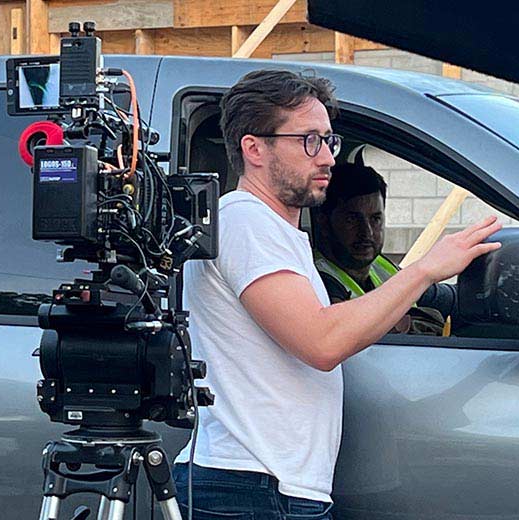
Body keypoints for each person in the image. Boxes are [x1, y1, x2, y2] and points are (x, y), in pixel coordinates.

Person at [173, 69, 501, 519]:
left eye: (329, 140)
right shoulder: (244, 221)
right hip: (251, 488)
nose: (327, 157)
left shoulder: (276, 230)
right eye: (309, 140)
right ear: (255, 149)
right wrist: (426, 269)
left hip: (269, 485)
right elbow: (322, 342)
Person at [313, 160, 458, 334]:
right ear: (324, 223)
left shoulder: (383, 268)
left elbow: (448, 299)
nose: (366, 232)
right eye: (352, 220)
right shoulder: (316, 282)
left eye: (375, 219)